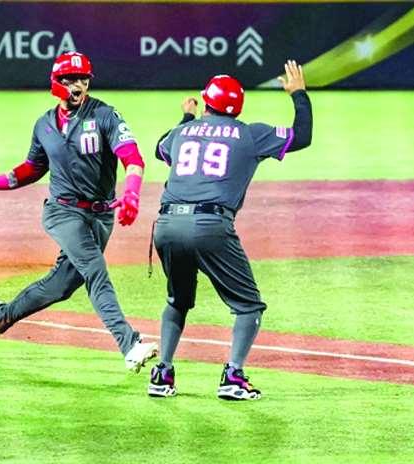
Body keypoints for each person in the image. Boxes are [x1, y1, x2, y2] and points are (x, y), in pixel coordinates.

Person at [0, 51, 158, 373]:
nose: (78, 85)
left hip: (100, 217)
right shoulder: (44, 125)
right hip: (62, 213)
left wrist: (132, 193)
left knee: (60, 286)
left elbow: (133, 158)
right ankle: (130, 344)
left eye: (83, 79)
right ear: (56, 83)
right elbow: (30, 170)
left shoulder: (105, 115)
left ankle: (0, 317)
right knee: (95, 270)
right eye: (70, 79)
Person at [147, 60, 313, 400]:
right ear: (238, 108)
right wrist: (298, 94)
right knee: (249, 306)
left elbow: (160, 147)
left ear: (206, 102)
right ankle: (233, 377)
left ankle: (162, 374)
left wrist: (188, 118)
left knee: (178, 300)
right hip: (210, 227)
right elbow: (303, 136)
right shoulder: (250, 134)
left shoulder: (182, 132)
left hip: (166, 225)